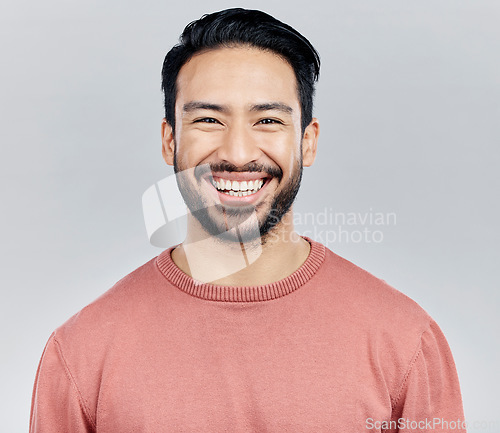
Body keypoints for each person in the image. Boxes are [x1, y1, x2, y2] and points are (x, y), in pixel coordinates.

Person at [30, 8, 466, 432]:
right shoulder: (80, 354)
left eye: (268, 120)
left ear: (307, 142)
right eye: (208, 119)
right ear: (169, 140)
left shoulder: (407, 343)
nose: (238, 153)